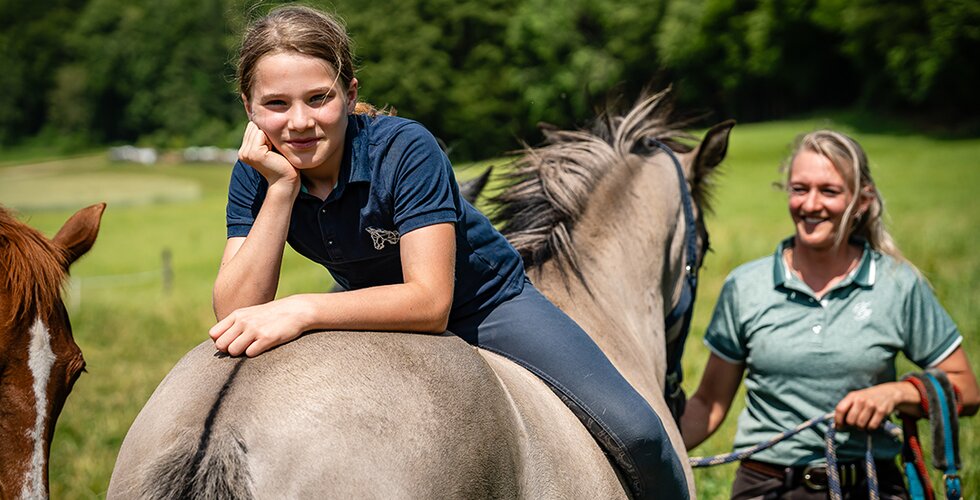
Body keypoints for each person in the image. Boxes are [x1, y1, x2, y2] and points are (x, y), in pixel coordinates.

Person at [207, 5, 687, 499]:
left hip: (484, 306)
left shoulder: (407, 149)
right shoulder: (259, 169)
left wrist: (304, 307)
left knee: (640, 433)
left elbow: (431, 302)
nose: (300, 122)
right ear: (249, 107)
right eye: (277, 104)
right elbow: (236, 309)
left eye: (318, 98)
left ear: (349, 94)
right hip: (368, 305)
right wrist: (283, 188)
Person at [680, 130, 979, 499]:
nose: (810, 204)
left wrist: (896, 393)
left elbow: (966, 390)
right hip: (767, 487)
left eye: (830, 191)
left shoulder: (897, 285)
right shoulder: (746, 286)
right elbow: (709, 404)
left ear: (862, 201)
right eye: (799, 189)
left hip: (869, 484)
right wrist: (644, 453)